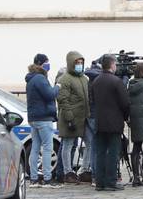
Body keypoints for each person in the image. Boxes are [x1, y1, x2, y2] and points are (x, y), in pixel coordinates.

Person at [91, 54, 130, 192]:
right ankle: (110, 182)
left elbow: (93, 100)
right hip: (114, 122)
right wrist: (126, 117)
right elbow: (125, 103)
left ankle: (99, 182)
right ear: (112, 65)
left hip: (99, 121)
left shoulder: (96, 81)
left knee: (100, 153)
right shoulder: (116, 81)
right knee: (113, 153)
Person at [25, 53, 62, 188]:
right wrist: (57, 87)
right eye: (47, 62)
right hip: (43, 118)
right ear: (41, 64)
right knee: (47, 148)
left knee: (35, 148)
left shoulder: (31, 78)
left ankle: (34, 179)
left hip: (34, 118)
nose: (48, 65)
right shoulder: (40, 78)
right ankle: (47, 179)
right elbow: (50, 95)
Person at [57, 51, 90, 184]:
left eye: (81, 63)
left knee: (90, 143)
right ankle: (67, 172)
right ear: (71, 63)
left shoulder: (84, 78)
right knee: (68, 145)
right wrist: (70, 118)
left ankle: (84, 170)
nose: (80, 65)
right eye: (77, 63)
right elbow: (63, 100)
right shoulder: (64, 79)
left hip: (84, 118)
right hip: (70, 118)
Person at [78, 58, 103, 183]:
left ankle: (93, 175)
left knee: (92, 145)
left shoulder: (87, 81)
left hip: (87, 115)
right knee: (97, 146)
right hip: (96, 115)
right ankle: (96, 174)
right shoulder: (99, 82)